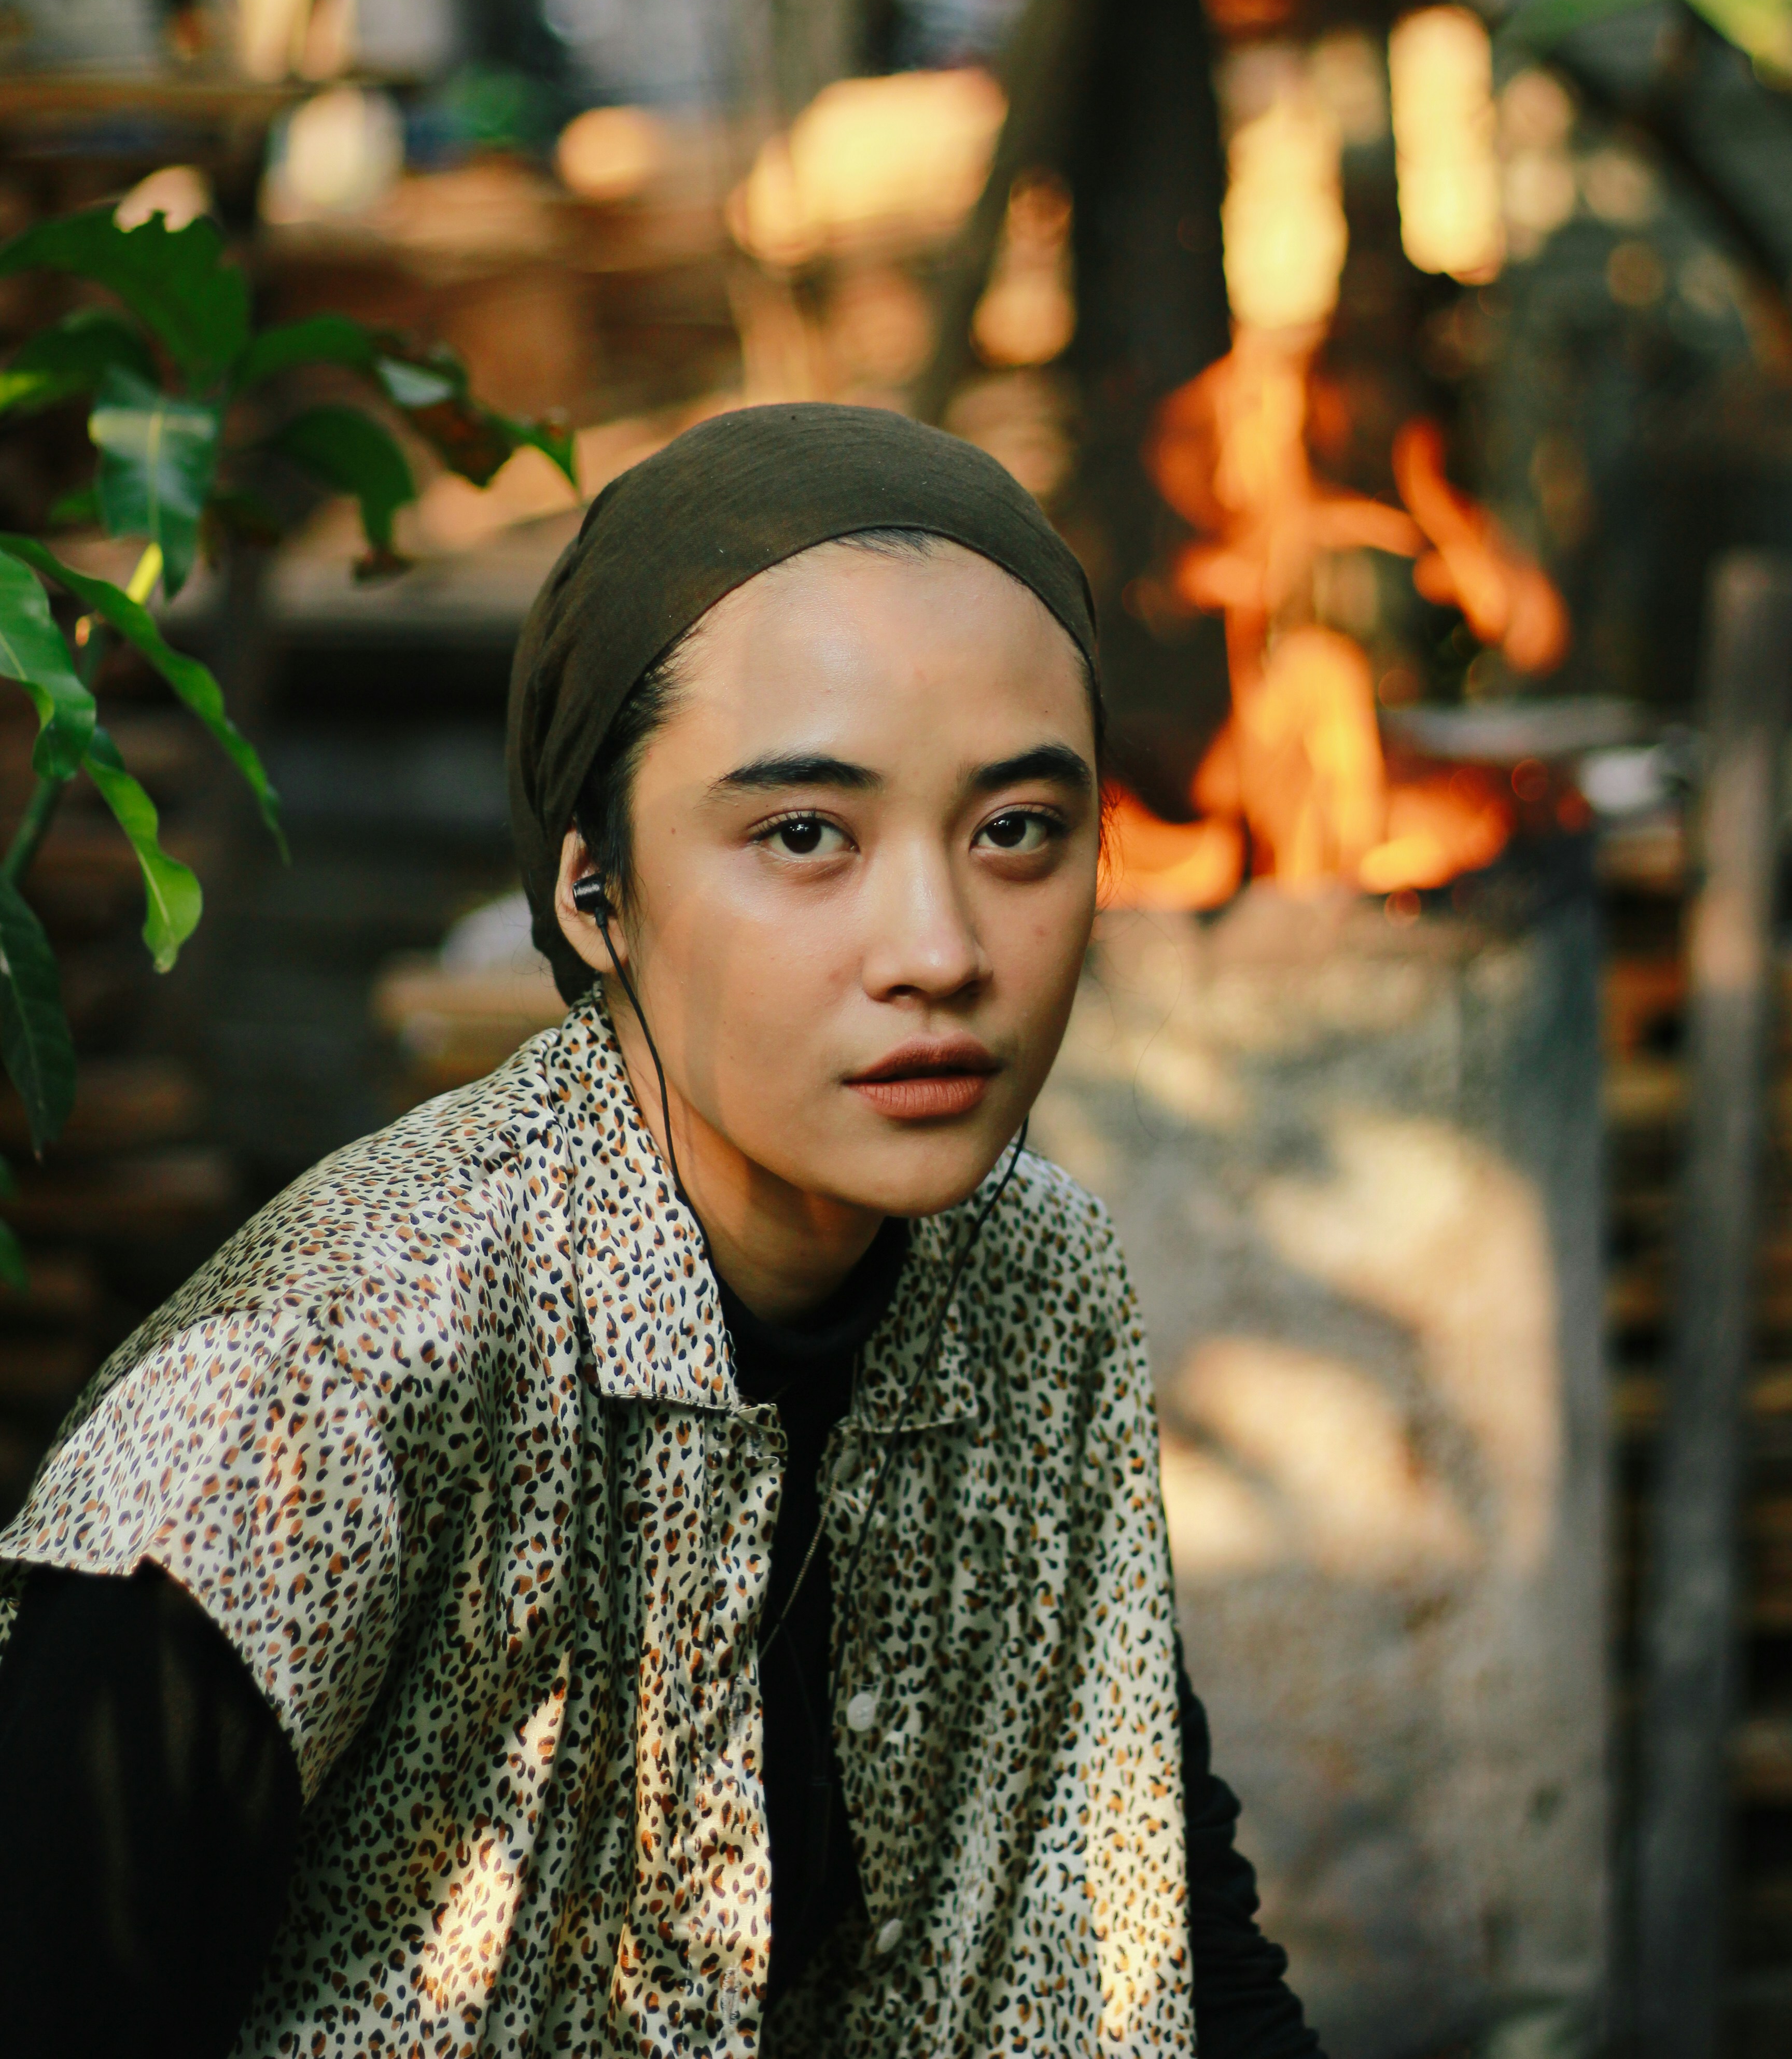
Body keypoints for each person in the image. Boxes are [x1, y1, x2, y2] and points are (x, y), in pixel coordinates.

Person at [0, 402, 1323, 2058]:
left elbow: (1173, 1929)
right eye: (803, 836)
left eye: (1016, 833)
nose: (939, 948)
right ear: (590, 893)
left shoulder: (1037, 1280)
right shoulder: (322, 1384)